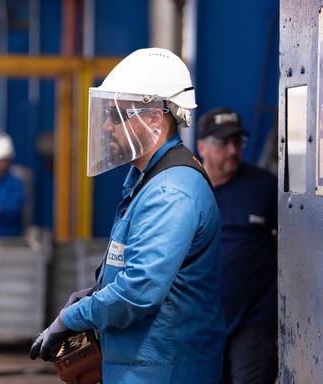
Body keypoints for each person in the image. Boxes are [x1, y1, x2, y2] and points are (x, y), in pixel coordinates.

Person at [30, 48, 226, 383]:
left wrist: (70, 318)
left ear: (153, 119)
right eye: (107, 114)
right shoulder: (146, 181)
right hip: (143, 364)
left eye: (118, 115)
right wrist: (94, 294)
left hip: (164, 369)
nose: (106, 125)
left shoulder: (169, 192)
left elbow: (138, 293)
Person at [197, 108, 278, 384]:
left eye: (237, 142)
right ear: (202, 147)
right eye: (223, 143)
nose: (232, 150)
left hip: (253, 321)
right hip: (201, 321)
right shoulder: (188, 189)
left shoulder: (265, 188)